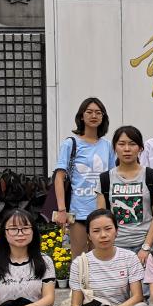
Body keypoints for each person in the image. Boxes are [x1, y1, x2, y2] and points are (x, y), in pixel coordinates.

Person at [51, 97, 115, 258]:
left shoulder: (107, 145)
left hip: (101, 213)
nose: (94, 116)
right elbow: (59, 177)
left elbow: (112, 177)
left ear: (103, 117)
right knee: (79, 260)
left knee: (101, 260)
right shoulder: (71, 143)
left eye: (98, 113)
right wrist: (62, 210)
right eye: (89, 112)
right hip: (77, 212)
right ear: (81, 116)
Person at [95, 125, 153, 262]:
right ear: (115, 148)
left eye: (132, 144)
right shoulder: (105, 179)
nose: (127, 149)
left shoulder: (150, 175)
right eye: (121, 144)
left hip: (146, 244)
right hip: (115, 246)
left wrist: (146, 247)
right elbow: (101, 217)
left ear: (140, 148)